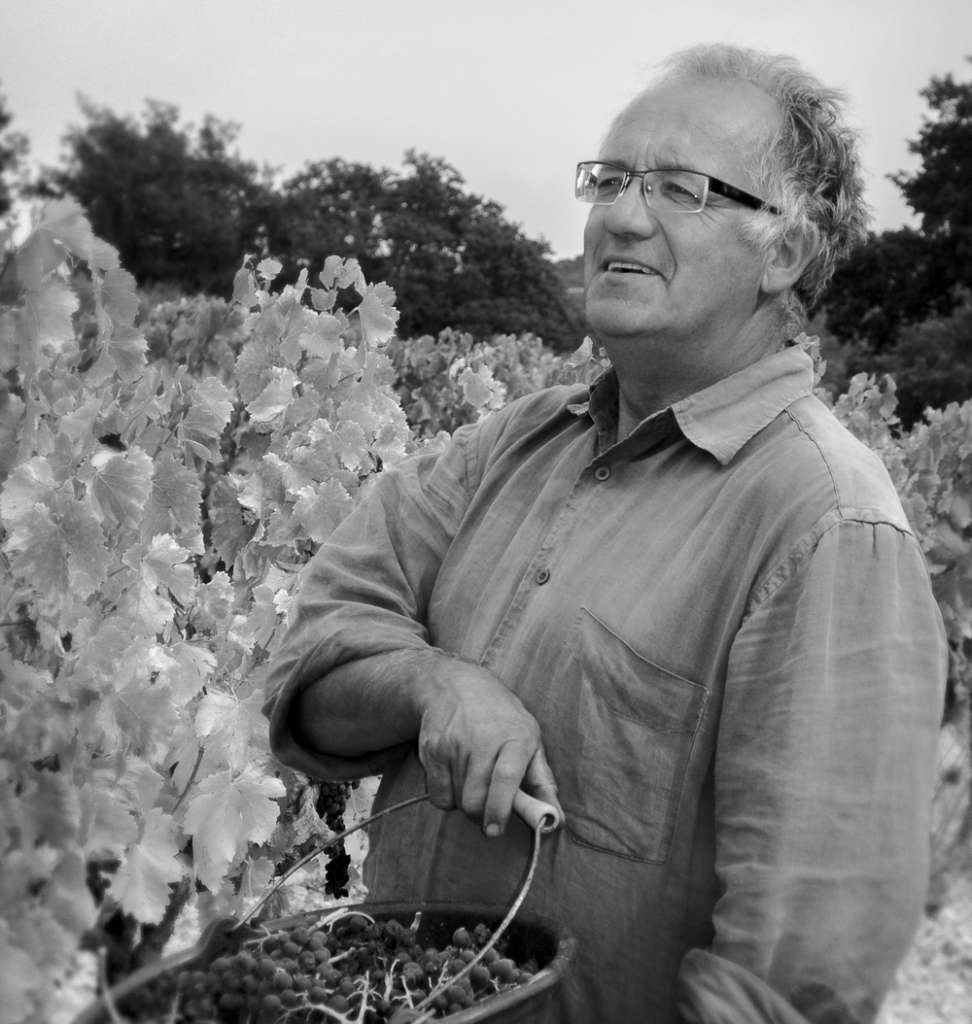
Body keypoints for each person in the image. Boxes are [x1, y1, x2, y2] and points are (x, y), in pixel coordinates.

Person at [263, 43, 947, 1024]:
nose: (622, 216)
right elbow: (309, 670)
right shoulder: (507, 446)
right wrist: (431, 684)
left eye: (680, 188)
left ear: (785, 252)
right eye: (611, 179)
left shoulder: (829, 525)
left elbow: (794, 980)